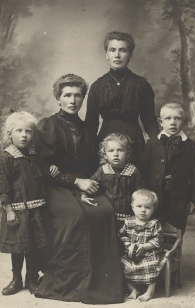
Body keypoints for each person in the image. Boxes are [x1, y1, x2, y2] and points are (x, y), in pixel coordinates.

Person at [34, 74, 124, 304]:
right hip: (55, 186)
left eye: (77, 95)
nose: (73, 100)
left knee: (105, 210)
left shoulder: (86, 128)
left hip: (84, 182)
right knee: (77, 215)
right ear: (58, 98)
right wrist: (75, 183)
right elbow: (43, 168)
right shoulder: (48, 125)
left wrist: (87, 186)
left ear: (83, 98)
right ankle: (71, 283)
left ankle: (101, 283)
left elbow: (91, 164)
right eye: (67, 95)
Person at [85, 31, 159, 167]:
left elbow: (149, 120)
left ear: (130, 54)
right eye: (112, 50)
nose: (117, 55)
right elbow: (91, 123)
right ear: (106, 54)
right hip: (105, 140)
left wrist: (160, 145)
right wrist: (88, 151)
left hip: (134, 139)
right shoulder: (97, 86)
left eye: (122, 50)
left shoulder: (140, 84)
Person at [0, 111, 51, 296]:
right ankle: (16, 279)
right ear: (9, 134)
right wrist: (9, 210)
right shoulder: (7, 157)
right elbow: (3, 185)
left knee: (33, 246)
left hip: (36, 208)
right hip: (17, 210)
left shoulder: (34, 154)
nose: (24, 135)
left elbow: (40, 175)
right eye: (19, 131)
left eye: (28, 131)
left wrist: (51, 168)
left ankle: (31, 277)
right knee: (18, 246)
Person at [141, 102, 195, 234]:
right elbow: (144, 171)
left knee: (177, 232)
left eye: (177, 118)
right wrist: (143, 196)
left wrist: (194, 200)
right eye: (168, 118)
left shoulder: (190, 146)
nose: (173, 122)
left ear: (184, 121)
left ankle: (175, 254)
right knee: (154, 233)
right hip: (155, 198)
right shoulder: (152, 143)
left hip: (180, 200)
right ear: (160, 122)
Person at [81, 133, 144, 231]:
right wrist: (84, 195)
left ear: (128, 154)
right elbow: (90, 184)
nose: (115, 154)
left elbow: (141, 192)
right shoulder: (103, 170)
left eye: (120, 150)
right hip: (107, 212)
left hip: (128, 213)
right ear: (105, 155)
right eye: (111, 151)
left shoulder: (133, 171)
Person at [119, 189, 166, 302]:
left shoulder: (154, 224)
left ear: (154, 209)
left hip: (149, 252)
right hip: (132, 253)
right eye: (139, 206)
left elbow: (158, 240)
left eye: (147, 207)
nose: (143, 210)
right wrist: (127, 243)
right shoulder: (128, 222)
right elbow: (122, 234)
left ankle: (150, 291)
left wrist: (145, 246)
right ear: (132, 207)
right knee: (122, 264)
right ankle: (133, 289)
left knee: (151, 265)